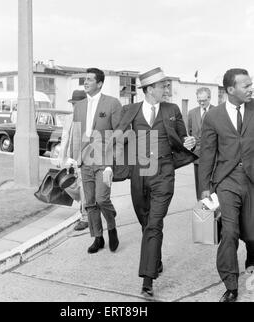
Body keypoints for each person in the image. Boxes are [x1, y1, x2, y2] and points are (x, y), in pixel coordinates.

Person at [105, 67, 197, 297]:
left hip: (165, 172)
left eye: (166, 85)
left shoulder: (172, 110)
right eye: (162, 86)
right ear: (149, 89)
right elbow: (116, 139)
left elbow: (183, 138)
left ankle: (148, 280)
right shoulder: (130, 111)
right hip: (139, 173)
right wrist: (108, 165)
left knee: (154, 223)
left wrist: (189, 142)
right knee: (146, 222)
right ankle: (155, 258)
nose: (166, 90)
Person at [199, 68, 254, 302]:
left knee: (252, 233)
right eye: (246, 86)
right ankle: (231, 285)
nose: (251, 89)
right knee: (229, 232)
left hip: (252, 180)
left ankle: (251, 264)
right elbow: (207, 154)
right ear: (230, 90)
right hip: (226, 181)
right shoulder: (213, 117)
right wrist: (204, 190)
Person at [67, 68, 123, 254]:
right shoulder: (79, 106)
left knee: (101, 199)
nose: (86, 82)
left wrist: (111, 164)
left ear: (99, 83)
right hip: (85, 161)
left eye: (90, 79)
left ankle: (112, 226)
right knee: (90, 202)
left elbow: (119, 134)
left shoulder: (113, 103)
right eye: (85, 79)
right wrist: (72, 157)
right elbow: (75, 133)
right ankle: (97, 237)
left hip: (103, 160)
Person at [57, 90, 89, 231]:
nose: (74, 107)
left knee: (83, 187)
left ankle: (85, 217)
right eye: (73, 104)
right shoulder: (69, 118)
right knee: (67, 184)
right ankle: (87, 204)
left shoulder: (89, 117)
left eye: (77, 104)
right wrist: (61, 158)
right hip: (71, 159)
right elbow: (65, 138)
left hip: (86, 159)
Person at [188, 87, 215, 200]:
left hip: (213, 156)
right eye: (199, 100)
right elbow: (189, 131)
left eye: (204, 100)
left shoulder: (216, 111)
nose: (202, 102)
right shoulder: (192, 113)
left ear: (209, 98)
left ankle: (215, 212)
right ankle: (202, 212)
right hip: (198, 156)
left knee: (212, 187)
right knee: (199, 186)